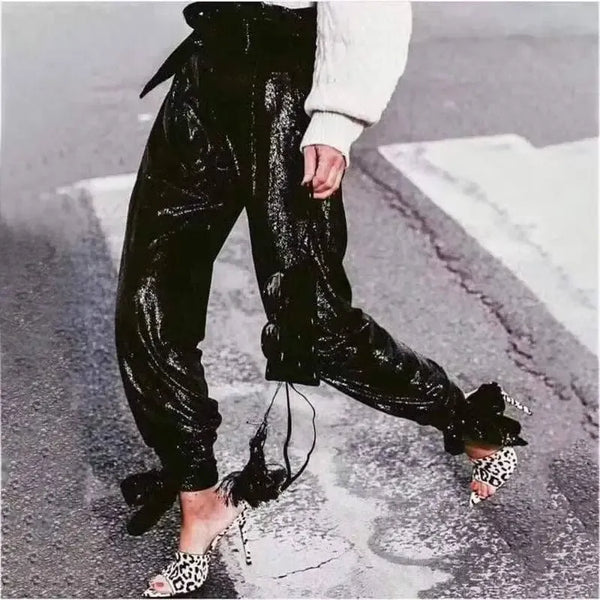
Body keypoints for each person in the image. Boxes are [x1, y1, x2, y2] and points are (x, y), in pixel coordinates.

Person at [114, 1, 532, 597]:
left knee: (313, 324)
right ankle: (199, 500)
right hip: (203, 80)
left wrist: (335, 120)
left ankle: (467, 421)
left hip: (285, 96)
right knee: (147, 306)